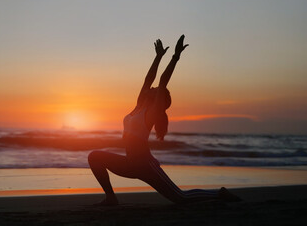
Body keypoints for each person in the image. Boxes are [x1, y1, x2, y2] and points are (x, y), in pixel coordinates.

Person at [88, 35, 240, 206]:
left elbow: (161, 81)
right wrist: (158, 57)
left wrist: (175, 57)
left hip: (145, 166)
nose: (151, 88)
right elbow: (148, 80)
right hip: (130, 163)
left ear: (158, 98)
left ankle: (219, 194)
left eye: (156, 90)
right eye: (152, 88)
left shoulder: (151, 112)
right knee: (94, 157)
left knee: (181, 198)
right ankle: (111, 198)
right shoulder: (138, 106)